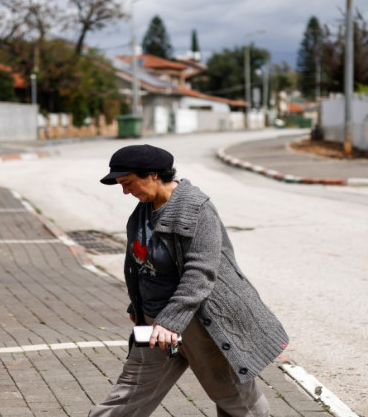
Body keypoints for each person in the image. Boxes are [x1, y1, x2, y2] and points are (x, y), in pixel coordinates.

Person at [89, 144, 288, 417]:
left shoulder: (196, 208)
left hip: (202, 323)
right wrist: (137, 307)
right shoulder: (143, 209)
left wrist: (171, 321)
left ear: (154, 175)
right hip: (156, 325)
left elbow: (201, 271)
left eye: (128, 182)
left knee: (237, 401)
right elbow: (139, 264)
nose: (125, 191)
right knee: (128, 394)